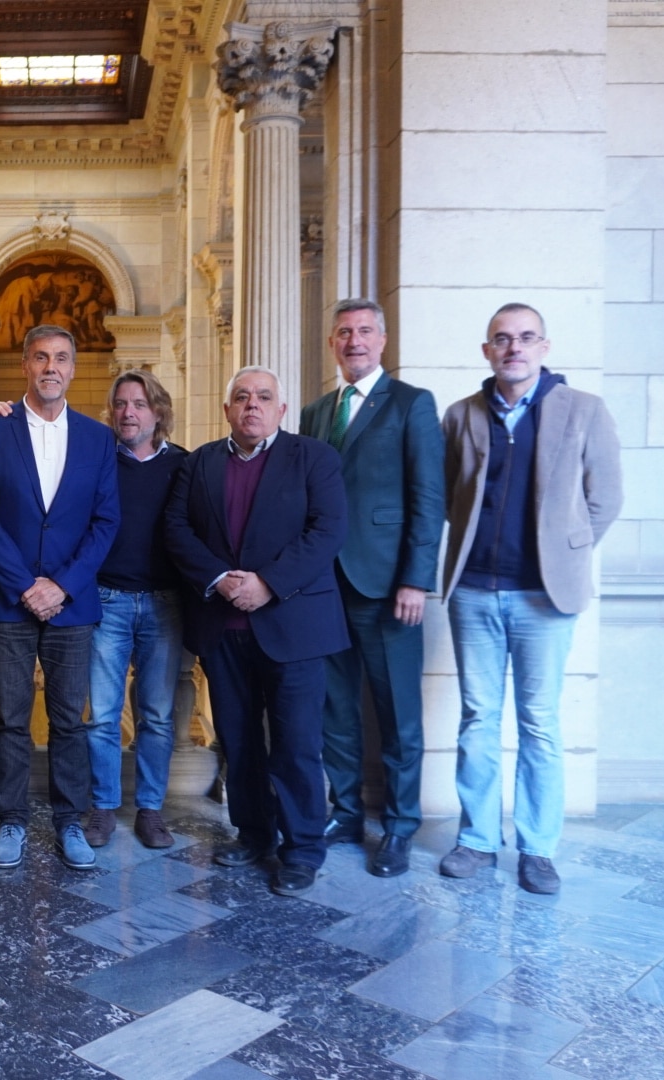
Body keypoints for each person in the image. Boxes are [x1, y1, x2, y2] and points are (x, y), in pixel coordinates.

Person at [439, 303, 622, 895]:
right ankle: (476, 840)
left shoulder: (584, 410)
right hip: (474, 592)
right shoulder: (461, 415)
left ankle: (538, 850)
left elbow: (606, 498)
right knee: (477, 720)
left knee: (539, 724)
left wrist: (564, 552)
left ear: (544, 346)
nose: (513, 347)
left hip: (544, 598)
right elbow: (449, 496)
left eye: (525, 337)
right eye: (501, 339)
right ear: (487, 351)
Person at [164, 366, 348, 896]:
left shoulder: (314, 458)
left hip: (294, 627)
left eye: (264, 397)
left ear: (281, 410)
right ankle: (253, 834)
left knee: (296, 743)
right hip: (224, 627)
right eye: (242, 397)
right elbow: (176, 528)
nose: (252, 405)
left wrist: (269, 583)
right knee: (238, 739)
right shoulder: (200, 463)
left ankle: (302, 848)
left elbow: (328, 530)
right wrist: (219, 579)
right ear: (227, 409)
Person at [0, 324, 119, 870]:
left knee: (69, 719)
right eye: (40, 357)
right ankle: (12, 819)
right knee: (10, 717)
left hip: (72, 605)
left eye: (61, 358)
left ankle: (69, 821)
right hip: (9, 602)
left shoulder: (98, 438)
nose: (51, 367)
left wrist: (62, 585)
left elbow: (105, 522)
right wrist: (25, 585)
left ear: (72, 367)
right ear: (25, 364)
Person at [300, 298, 445, 878]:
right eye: (343, 332)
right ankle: (346, 812)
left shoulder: (412, 404)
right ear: (332, 343)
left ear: (382, 340)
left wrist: (416, 578)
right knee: (336, 708)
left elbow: (429, 498)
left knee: (398, 712)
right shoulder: (316, 412)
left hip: (388, 587)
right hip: (325, 586)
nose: (354, 340)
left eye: (364, 331)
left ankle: (402, 825)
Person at [84, 370, 188, 850]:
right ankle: (103, 808)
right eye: (121, 404)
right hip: (107, 601)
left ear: (158, 412)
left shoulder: (183, 465)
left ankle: (150, 810)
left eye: (139, 404)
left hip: (165, 605)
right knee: (102, 716)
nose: (128, 413)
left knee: (158, 716)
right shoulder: (98, 461)